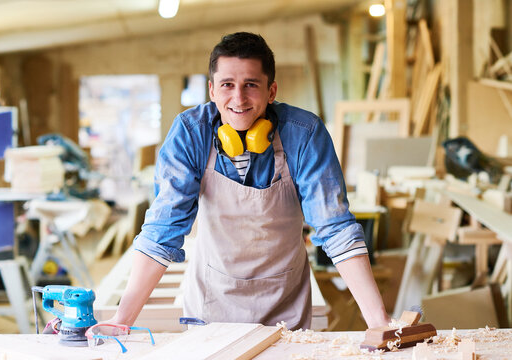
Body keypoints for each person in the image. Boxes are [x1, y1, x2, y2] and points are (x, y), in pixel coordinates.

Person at [109, 32, 390, 330]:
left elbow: (336, 228)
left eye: (251, 85)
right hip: (212, 308)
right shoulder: (191, 134)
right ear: (212, 90)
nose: (239, 98)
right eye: (227, 85)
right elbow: (162, 229)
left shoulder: (304, 134)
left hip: (286, 310)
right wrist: (121, 320)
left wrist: (378, 321)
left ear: (271, 91)